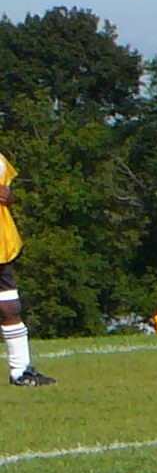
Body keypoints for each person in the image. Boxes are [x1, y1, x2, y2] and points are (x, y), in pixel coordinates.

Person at [0, 151, 55, 387]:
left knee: (11, 306)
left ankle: (20, 371)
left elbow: (7, 195)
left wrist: (8, 196)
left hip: (2, 245)